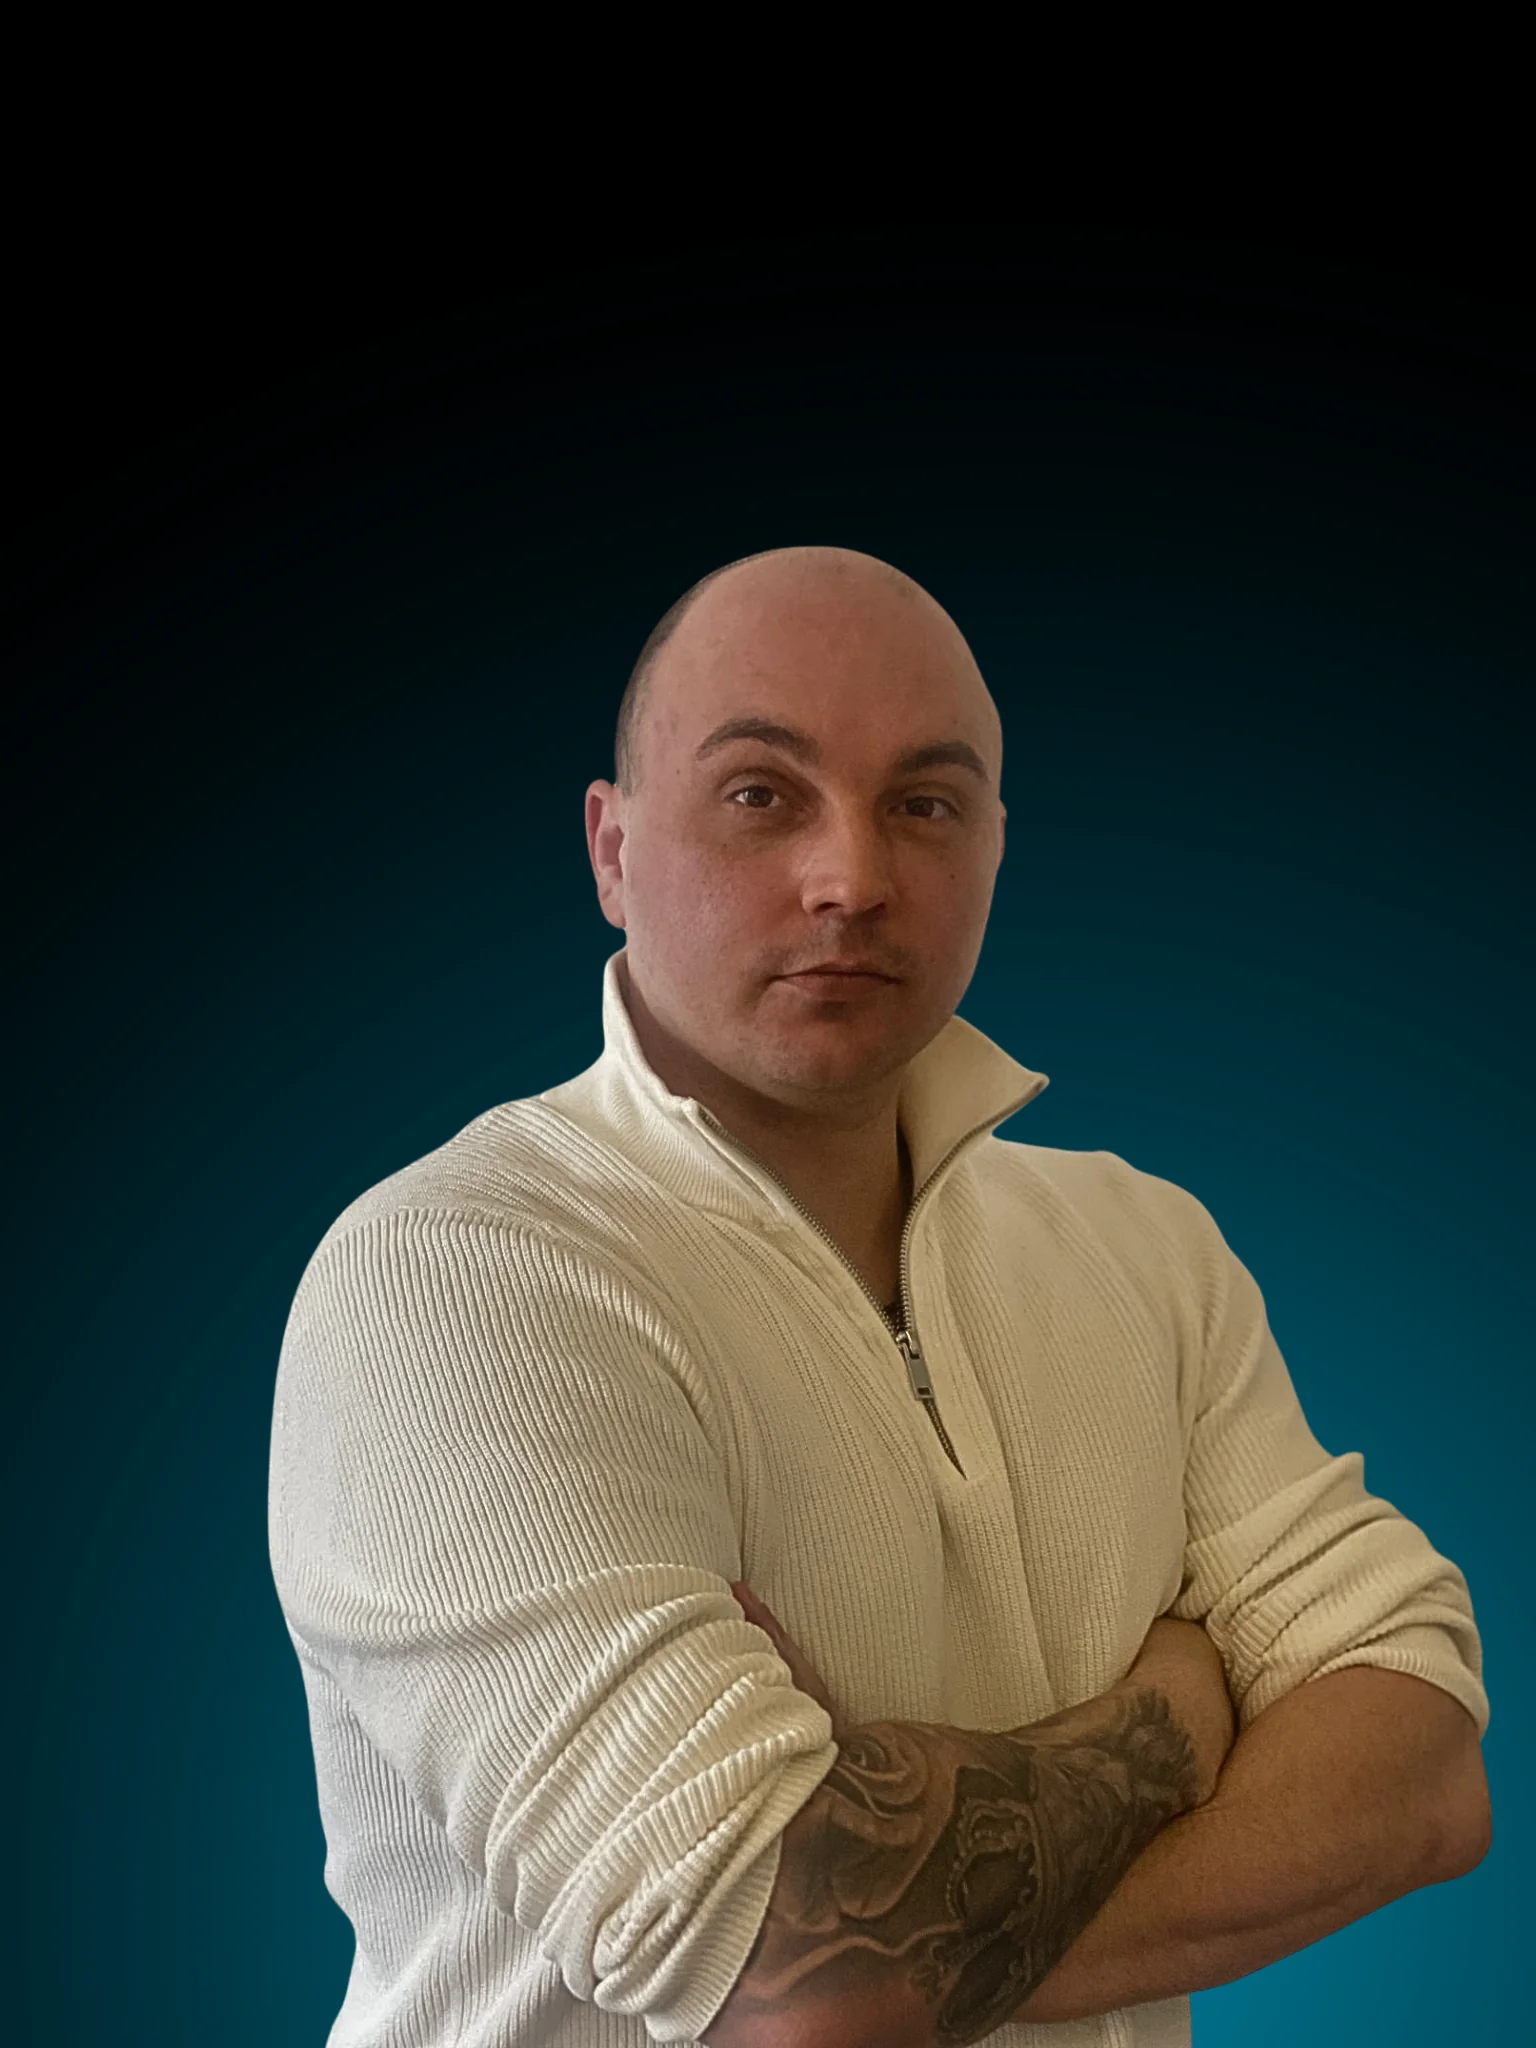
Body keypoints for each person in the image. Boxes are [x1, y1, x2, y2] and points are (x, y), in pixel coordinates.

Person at [269, 546, 1490, 2048]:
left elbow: (1430, 1766)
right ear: (612, 849)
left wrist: (899, 1934)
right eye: (761, 793)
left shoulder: (1146, 1244)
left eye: (924, 803)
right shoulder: (458, 1277)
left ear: (995, 847)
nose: (851, 877)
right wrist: (1183, 1704)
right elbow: (798, 1970)